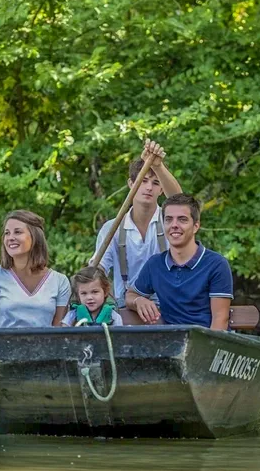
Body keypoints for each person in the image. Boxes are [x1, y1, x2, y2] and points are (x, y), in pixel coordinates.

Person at [94, 139, 182, 307]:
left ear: (161, 189)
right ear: (131, 184)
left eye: (155, 183)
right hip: (125, 307)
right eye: (143, 180)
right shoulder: (112, 228)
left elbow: (180, 203)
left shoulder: (170, 222)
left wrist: (158, 166)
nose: (149, 187)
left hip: (166, 306)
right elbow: (98, 271)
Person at [125, 193, 233, 330]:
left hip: (206, 342)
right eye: (169, 220)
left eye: (182, 220)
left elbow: (220, 320)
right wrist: (138, 300)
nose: (174, 225)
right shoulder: (155, 264)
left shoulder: (216, 264)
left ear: (195, 226)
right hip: (171, 344)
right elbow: (131, 295)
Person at [0, 210, 71, 331]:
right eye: (7, 233)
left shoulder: (60, 282)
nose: (10, 238)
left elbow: (60, 333)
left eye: (17, 232)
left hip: (43, 349)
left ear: (35, 236)